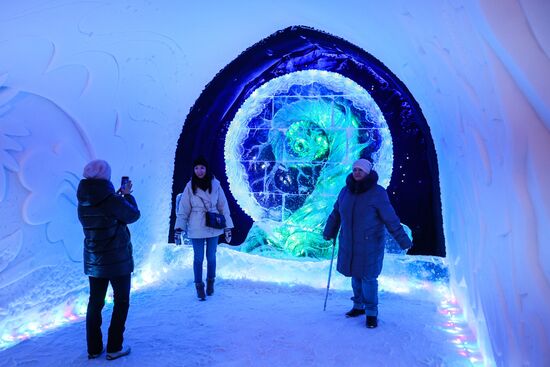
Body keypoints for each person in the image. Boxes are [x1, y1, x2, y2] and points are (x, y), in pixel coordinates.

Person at [323, 158, 412, 328]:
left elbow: (390, 218)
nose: (357, 172)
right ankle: (358, 306)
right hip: (349, 243)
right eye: (355, 169)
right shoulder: (345, 191)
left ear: (368, 172)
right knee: (355, 276)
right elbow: (336, 214)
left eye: (360, 170)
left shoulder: (377, 193)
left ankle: (371, 312)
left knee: (368, 278)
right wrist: (329, 232)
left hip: (370, 245)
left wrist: (403, 240)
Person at [77, 159, 140, 360]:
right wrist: (127, 196)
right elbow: (132, 215)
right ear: (105, 175)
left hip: (94, 259)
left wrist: (117, 197)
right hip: (117, 259)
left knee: (95, 303)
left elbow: (105, 215)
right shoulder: (110, 199)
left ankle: (94, 349)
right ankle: (114, 347)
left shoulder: (84, 198)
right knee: (121, 301)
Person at [174, 156, 233, 300]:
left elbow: (223, 206)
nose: (199, 171)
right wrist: (179, 228)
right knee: (198, 258)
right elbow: (184, 208)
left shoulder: (216, 184)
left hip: (213, 223)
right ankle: (199, 286)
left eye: (202, 168)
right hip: (196, 224)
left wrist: (227, 227)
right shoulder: (190, 185)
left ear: (206, 169)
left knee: (211, 257)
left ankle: (211, 282)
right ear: (193, 170)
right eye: (196, 168)